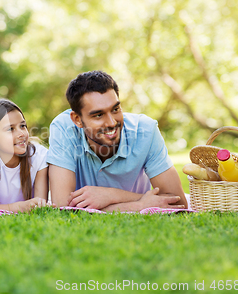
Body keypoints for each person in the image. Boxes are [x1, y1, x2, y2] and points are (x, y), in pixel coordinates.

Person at [47, 71, 188, 211]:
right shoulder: (63, 128)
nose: (111, 122)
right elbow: (63, 207)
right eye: (98, 115)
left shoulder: (146, 131)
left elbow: (178, 202)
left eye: (115, 109)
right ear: (77, 119)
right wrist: (139, 205)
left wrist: (111, 195)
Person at [0, 99, 50, 212]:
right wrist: (20, 207)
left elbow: (40, 204)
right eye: (10, 129)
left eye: (23, 126)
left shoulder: (38, 155)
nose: (21, 134)